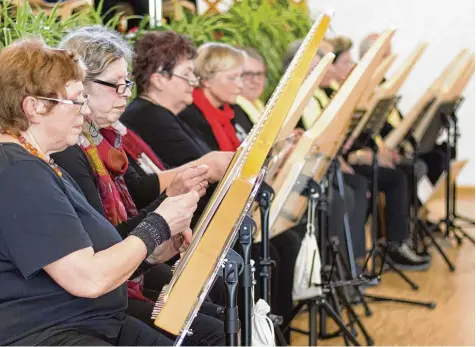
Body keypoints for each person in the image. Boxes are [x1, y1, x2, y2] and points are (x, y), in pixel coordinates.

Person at [0, 37, 197, 346]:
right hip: (54, 335)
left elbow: (96, 258)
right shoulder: (17, 171)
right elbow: (88, 278)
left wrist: (157, 245)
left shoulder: (38, 163)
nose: (85, 111)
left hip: (88, 325)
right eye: (77, 100)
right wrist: (157, 225)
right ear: (34, 107)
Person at [52, 26, 225, 345]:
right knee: (209, 327)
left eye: (126, 84)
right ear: (80, 87)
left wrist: (163, 223)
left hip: (116, 273)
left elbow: (125, 211)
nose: (125, 95)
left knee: (214, 311)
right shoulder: (70, 150)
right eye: (115, 86)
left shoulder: (99, 137)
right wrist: (162, 217)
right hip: (92, 297)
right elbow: (101, 248)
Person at [327, 35, 431, 270]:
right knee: (392, 178)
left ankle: (399, 238)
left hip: (355, 157)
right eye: (345, 62)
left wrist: (387, 150)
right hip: (344, 162)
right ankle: (380, 249)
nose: (351, 66)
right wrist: (361, 156)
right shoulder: (343, 92)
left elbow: (371, 129)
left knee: (411, 168)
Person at [121, 31, 232, 172]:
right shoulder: (149, 117)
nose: (193, 82)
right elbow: (205, 171)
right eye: (186, 74)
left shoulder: (162, 113)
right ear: (159, 80)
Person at [360, 32, 445, 184]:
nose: (390, 59)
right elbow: (373, 126)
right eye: (386, 55)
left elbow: (396, 118)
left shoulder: (386, 83)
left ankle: (426, 205)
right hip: (378, 147)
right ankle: (412, 206)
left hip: (396, 143)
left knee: (440, 154)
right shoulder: (365, 87)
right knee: (415, 167)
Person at [178, 42, 247, 147]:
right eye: (232, 78)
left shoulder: (230, 111)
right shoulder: (189, 116)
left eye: (241, 77)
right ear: (206, 79)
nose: (240, 85)